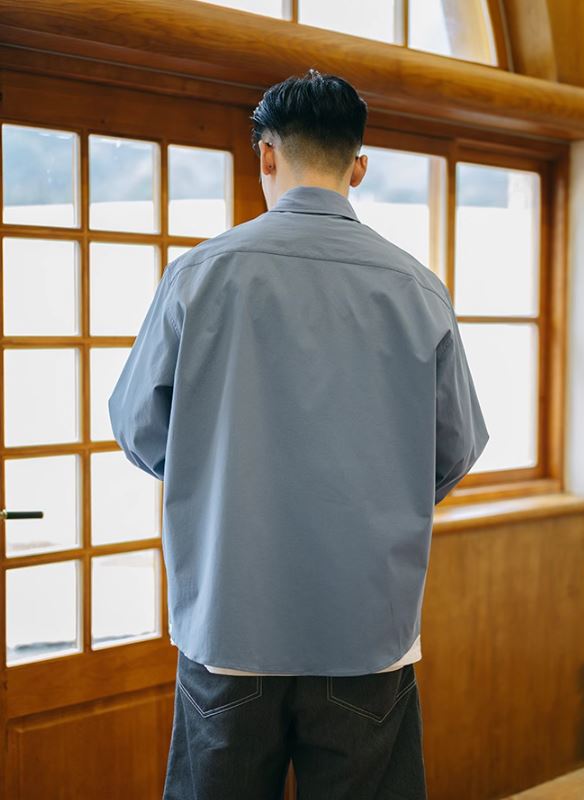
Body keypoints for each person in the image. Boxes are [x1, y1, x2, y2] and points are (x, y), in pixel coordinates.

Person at [108, 68, 489, 800]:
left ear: (264, 156)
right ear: (359, 166)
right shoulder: (416, 287)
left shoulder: (198, 275)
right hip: (365, 634)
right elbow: (454, 447)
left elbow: (136, 428)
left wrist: (213, 474)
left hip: (229, 627)